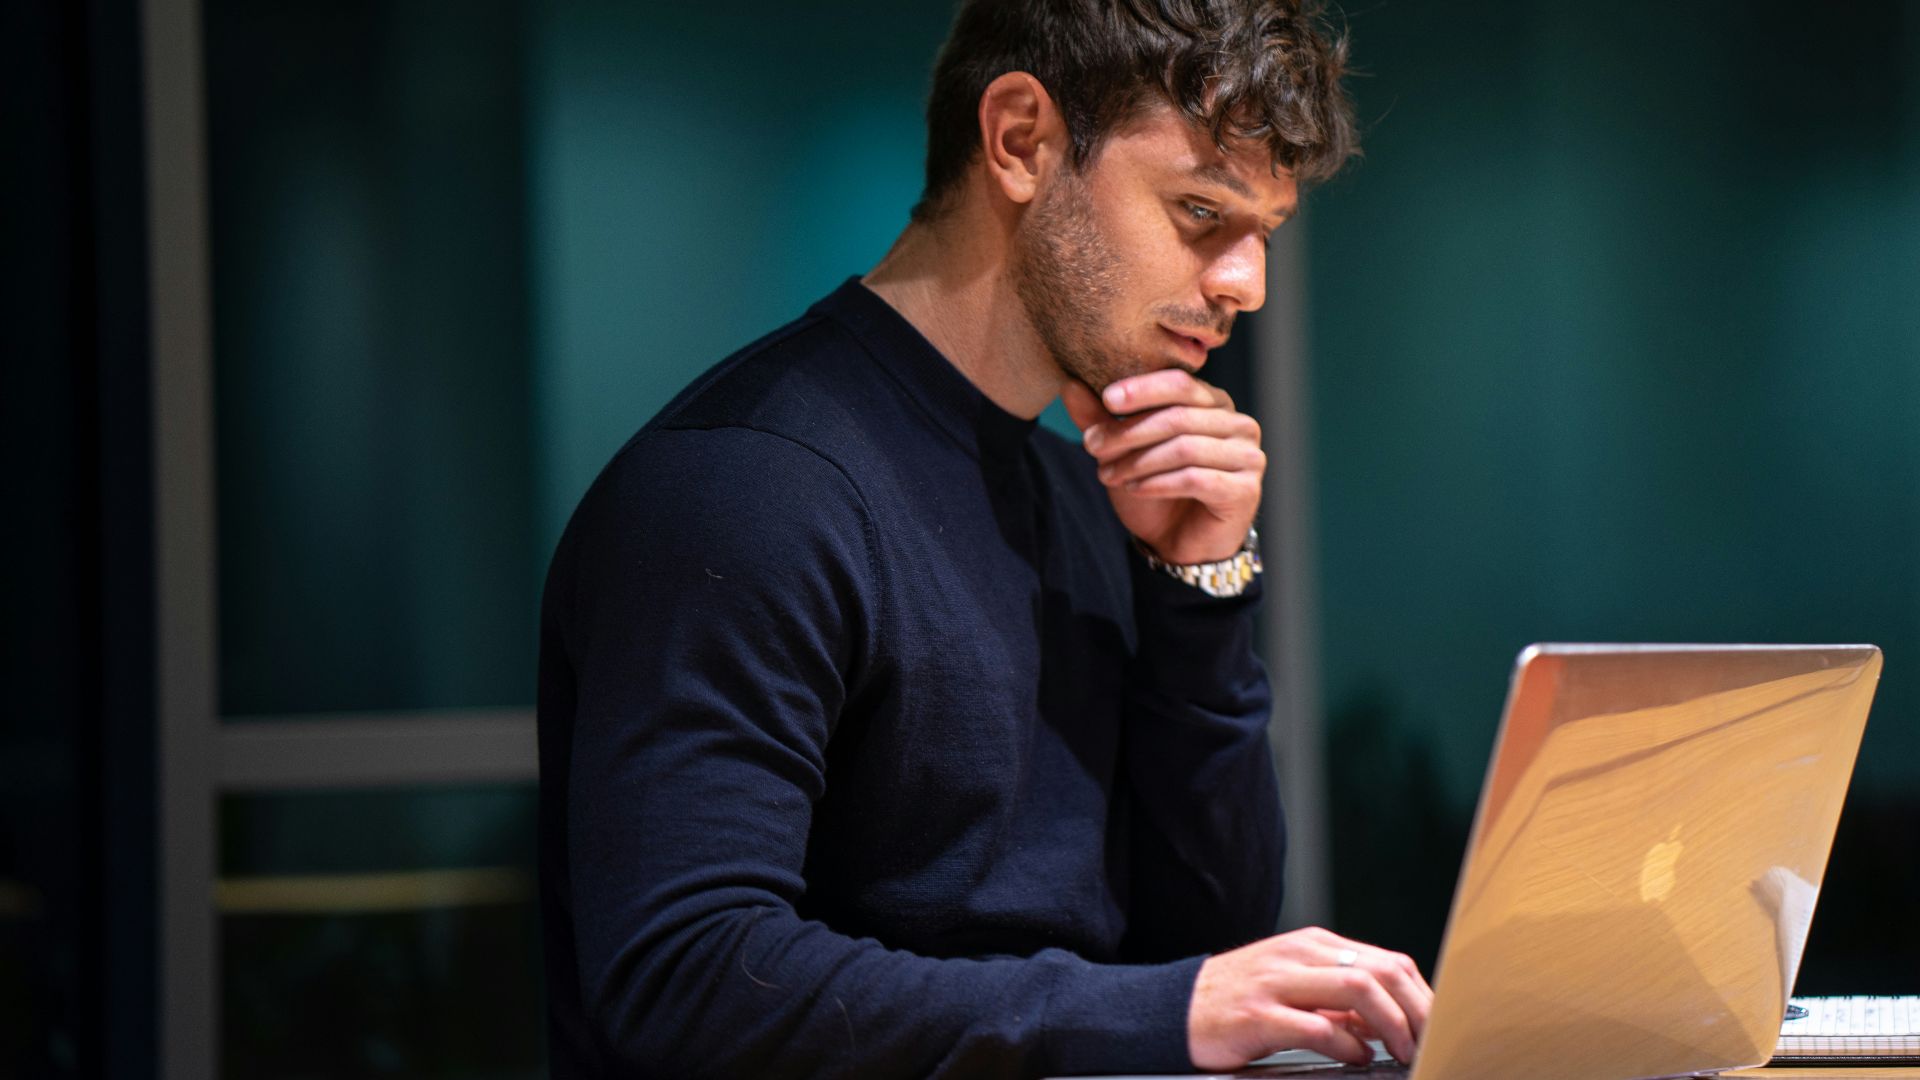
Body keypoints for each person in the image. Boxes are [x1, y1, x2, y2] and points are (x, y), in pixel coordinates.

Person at [536, 1, 1433, 1075]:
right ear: (1019, 140)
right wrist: (1153, 1014)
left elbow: (1205, 948)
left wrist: (1196, 584)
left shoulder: (1087, 495)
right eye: (1201, 211)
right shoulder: (746, 486)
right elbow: (686, 977)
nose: (1246, 285)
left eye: (1265, 235)